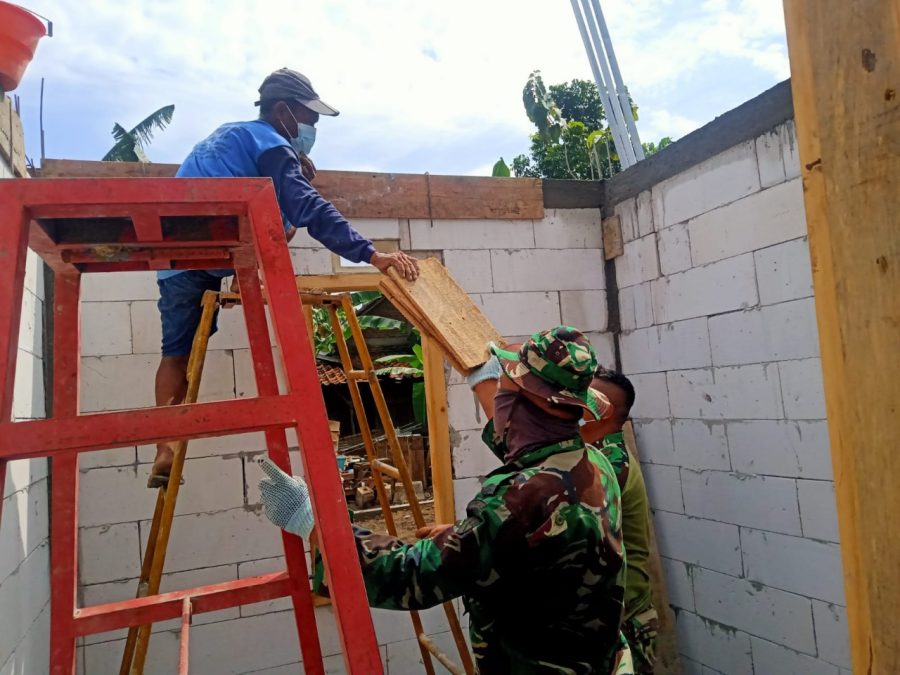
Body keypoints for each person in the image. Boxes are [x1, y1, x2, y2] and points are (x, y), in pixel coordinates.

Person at [260, 327, 633, 674]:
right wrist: (469, 537)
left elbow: (411, 576)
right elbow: (529, 467)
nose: (498, 395)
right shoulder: (593, 461)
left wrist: (315, 523)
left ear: (522, 401)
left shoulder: (517, 502)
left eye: (503, 386)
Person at [150, 68, 419, 487]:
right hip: (225, 239)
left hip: (176, 254)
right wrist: (370, 254)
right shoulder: (272, 142)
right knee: (287, 222)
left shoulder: (230, 134)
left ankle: (164, 448)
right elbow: (308, 208)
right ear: (282, 111)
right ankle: (242, 276)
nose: (311, 128)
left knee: (175, 355)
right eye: (307, 118)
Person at [580, 368, 657, 674]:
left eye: (586, 398)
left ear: (604, 412)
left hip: (625, 623)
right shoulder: (594, 451)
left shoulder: (611, 461)